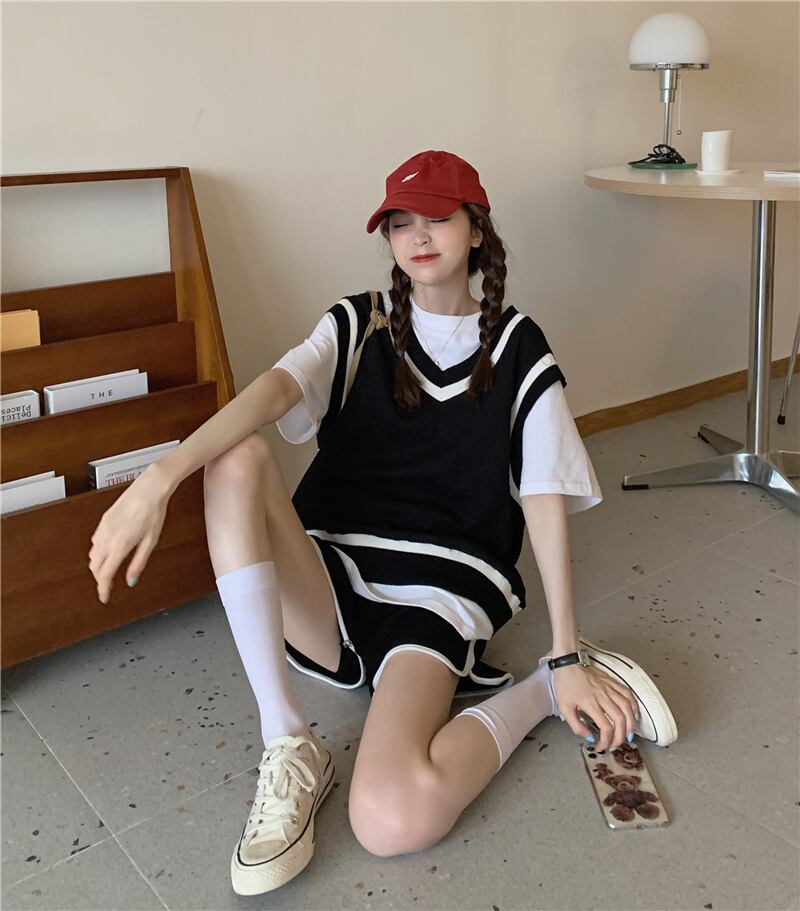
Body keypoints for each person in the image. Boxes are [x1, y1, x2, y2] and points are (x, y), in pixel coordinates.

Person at [88, 149, 677, 897]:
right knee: (234, 458)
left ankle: (539, 693)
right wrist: (160, 478)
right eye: (400, 222)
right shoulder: (359, 322)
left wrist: (563, 655)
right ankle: (288, 742)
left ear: (477, 229)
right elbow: (273, 392)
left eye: (438, 218)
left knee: (392, 818)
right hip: (331, 574)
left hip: (438, 592)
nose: (418, 236)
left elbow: (543, 494)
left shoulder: (517, 345)